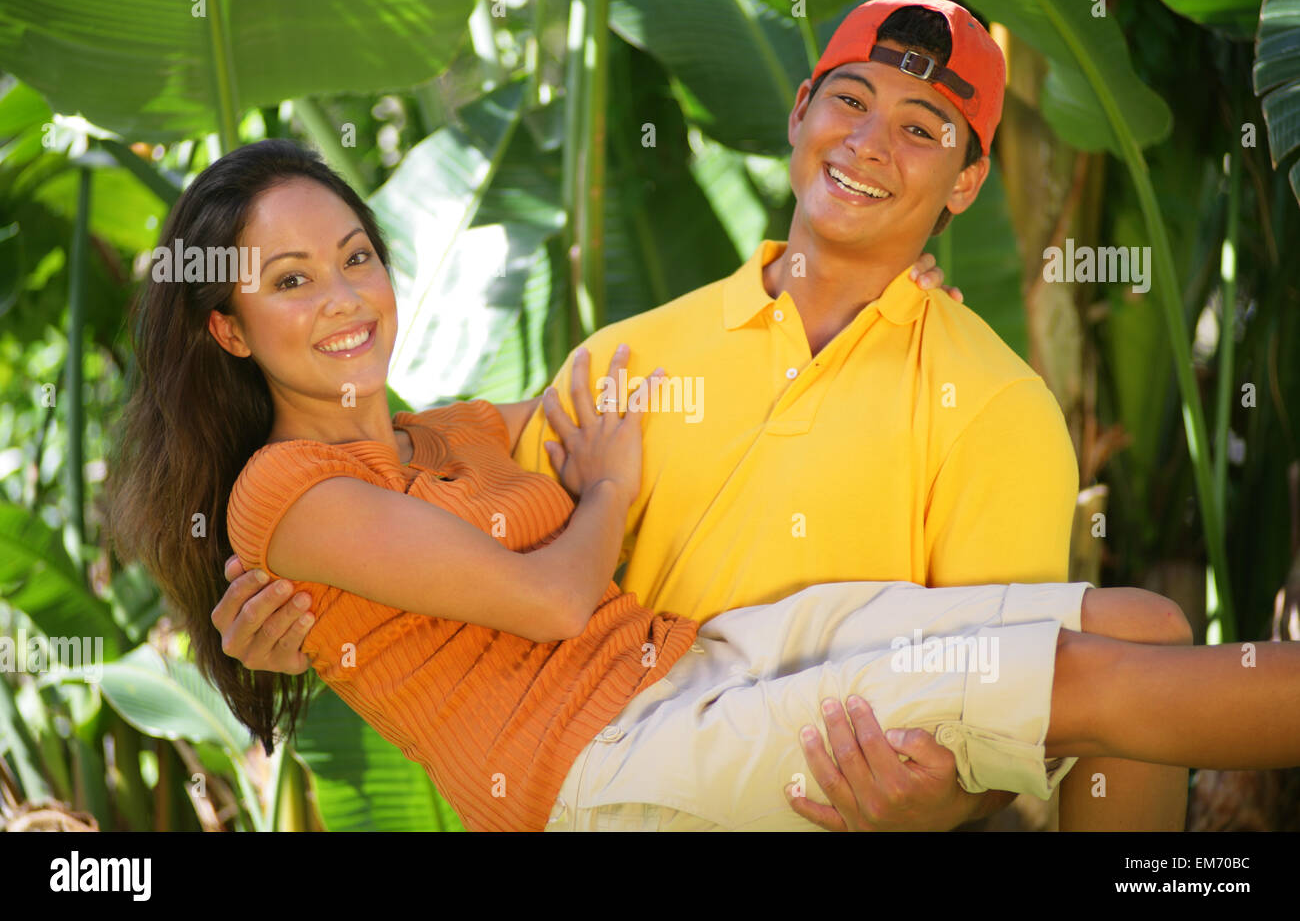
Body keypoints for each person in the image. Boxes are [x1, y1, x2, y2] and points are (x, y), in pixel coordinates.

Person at [112, 139, 1300, 834]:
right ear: (226, 327)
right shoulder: (287, 490)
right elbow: (552, 603)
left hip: (696, 663)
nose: (343, 298)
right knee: (1086, 678)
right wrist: (608, 498)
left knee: (1142, 620)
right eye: (291, 279)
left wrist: (849, 274)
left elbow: (653, 376)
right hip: (609, 763)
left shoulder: (461, 432)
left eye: (357, 256)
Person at [220, 0, 1183, 830]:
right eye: (849, 101)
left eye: (921, 128)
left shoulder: (996, 405)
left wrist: (939, 803)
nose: (867, 143)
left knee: (1135, 652)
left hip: (820, 810)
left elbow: (1014, 700)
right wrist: (271, 604)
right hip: (627, 784)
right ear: (800, 112)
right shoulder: (628, 359)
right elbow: (415, 505)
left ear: (965, 183)